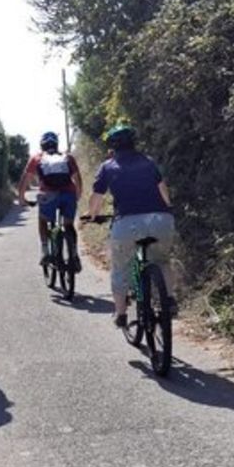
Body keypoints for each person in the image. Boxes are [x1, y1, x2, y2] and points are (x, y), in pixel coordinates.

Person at [83, 123, 176, 328]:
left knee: (121, 269)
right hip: (160, 220)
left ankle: (121, 314)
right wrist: (168, 208)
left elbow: (96, 198)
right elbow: (163, 191)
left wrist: (92, 216)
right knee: (161, 260)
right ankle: (168, 299)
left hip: (127, 224)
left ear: (112, 147)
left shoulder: (108, 166)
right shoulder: (149, 162)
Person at [15, 130, 83, 272]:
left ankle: (45, 251)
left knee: (43, 220)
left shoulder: (37, 158)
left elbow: (25, 180)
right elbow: (77, 179)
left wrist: (22, 198)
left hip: (48, 194)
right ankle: (74, 255)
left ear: (42, 145)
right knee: (69, 225)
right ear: (56, 145)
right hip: (68, 194)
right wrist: (77, 195)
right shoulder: (68, 158)